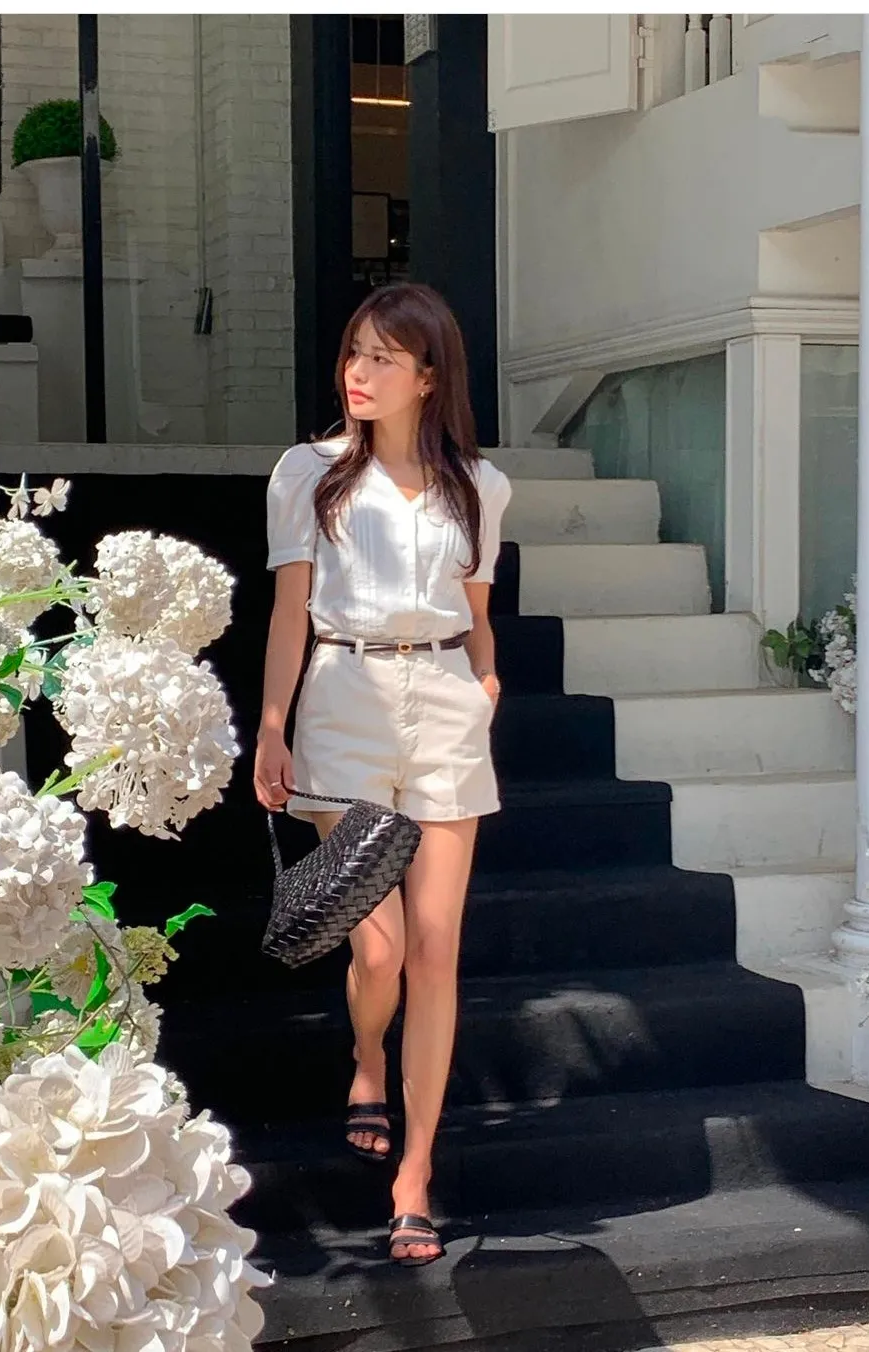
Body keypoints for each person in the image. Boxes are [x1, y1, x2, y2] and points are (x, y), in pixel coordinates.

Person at [254, 282, 511, 1268]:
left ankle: (415, 1176)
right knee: (381, 949)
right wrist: (271, 726)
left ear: (428, 376)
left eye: (382, 358)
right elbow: (290, 611)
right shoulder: (309, 473)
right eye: (353, 353)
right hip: (345, 700)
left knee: (437, 950)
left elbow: (477, 611)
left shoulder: (479, 486)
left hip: (444, 704)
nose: (357, 373)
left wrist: (486, 678)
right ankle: (366, 1051)